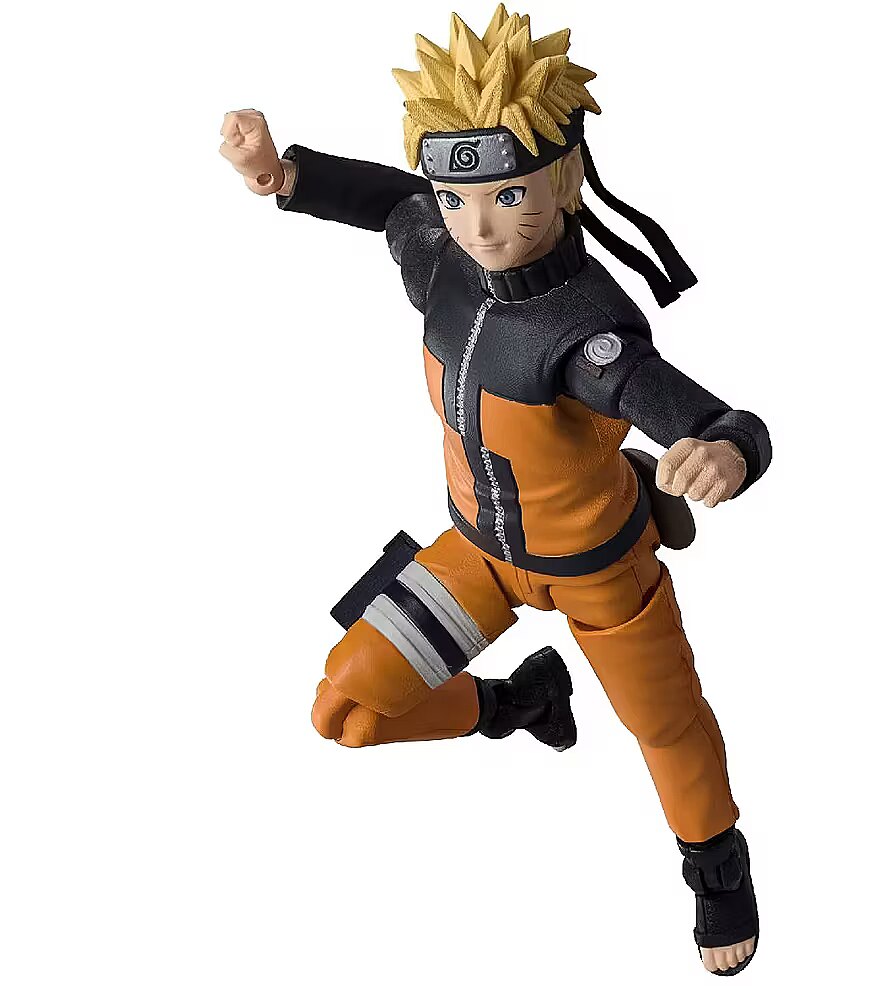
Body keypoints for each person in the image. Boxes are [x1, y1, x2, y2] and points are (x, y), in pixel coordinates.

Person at [219, 6, 770, 975]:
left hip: (601, 573)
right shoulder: (438, 258)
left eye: (507, 194)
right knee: (346, 711)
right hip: (479, 558)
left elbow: (695, 407)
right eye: (457, 196)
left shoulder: (585, 330)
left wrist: (724, 449)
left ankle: (716, 863)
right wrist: (283, 176)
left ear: (564, 178)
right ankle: (521, 702)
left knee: (665, 726)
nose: (477, 226)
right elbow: (394, 201)